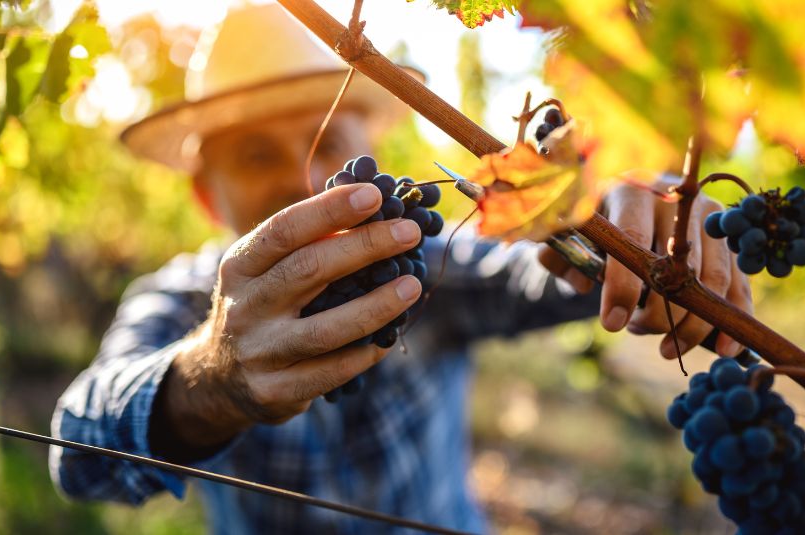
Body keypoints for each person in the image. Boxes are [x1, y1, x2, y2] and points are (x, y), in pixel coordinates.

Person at [49, 4, 752, 533]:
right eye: (258, 155)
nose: (306, 178)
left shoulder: (429, 271)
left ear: (370, 149)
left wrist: (626, 224)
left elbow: (531, 271)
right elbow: (77, 454)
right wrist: (210, 379)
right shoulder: (180, 303)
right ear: (208, 195)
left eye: (330, 144)